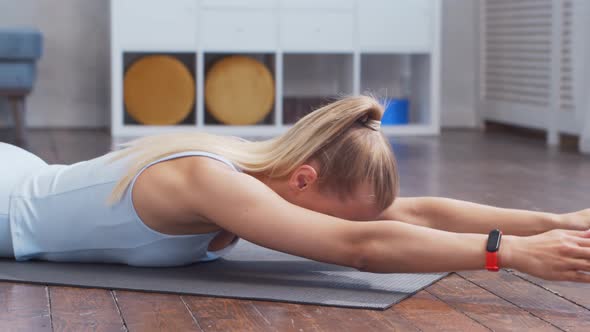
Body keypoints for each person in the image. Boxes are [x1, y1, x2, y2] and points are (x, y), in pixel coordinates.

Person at [1, 95, 589, 283]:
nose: (351, 224)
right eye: (344, 213)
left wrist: (554, 222)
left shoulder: (252, 170)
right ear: (305, 179)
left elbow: (416, 211)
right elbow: (362, 247)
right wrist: (504, 253)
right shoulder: (210, 179)